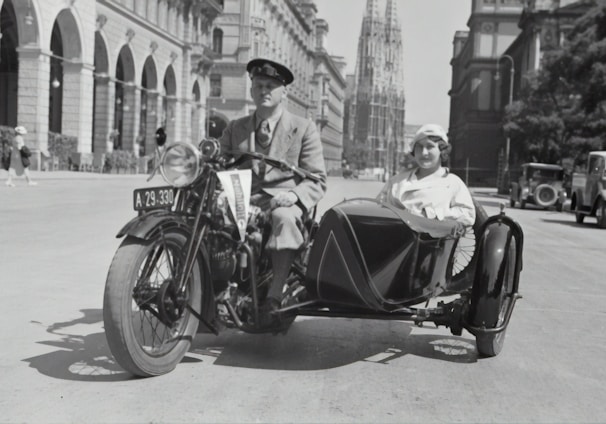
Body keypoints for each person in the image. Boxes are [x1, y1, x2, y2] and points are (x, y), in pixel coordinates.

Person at [219, 58, 327, 325]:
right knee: (210, 220)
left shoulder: (303, 128)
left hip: (284, 200)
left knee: (284, 218)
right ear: (251, 90)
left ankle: (274, 296)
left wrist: (294, 196)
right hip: (243, 199)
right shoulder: (236, 127)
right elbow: (220, 164)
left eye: (271, 86)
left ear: (284, 92)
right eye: (258, 85)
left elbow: (317, 179)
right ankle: (214, 292)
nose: (264, 91)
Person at [378, 124, 474, 234]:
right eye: (419, 147)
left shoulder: (452, 182)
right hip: (393, 238)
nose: (424, 153)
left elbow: (468, 215)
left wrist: (431, 214)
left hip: (431, 244)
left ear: (442, 150)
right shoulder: (397, 180)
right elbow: (378, 206)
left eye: (429, 146)